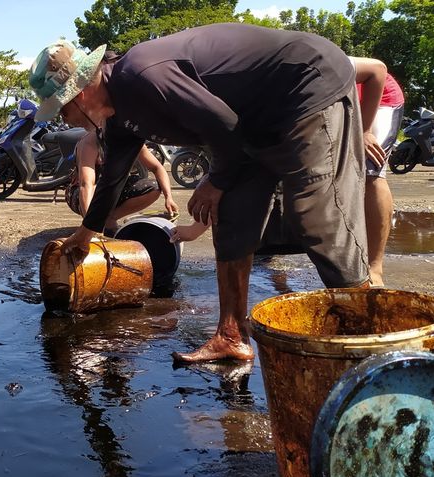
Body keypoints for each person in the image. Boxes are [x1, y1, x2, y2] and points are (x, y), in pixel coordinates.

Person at [29, 24, 369, 363]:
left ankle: (371, 331)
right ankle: (231, 336)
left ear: (81, 93)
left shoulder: (141, 75)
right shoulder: (118, 116)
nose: (65, 120)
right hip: (250, 123)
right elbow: (111, 180)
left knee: (317, 216)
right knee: (231, 218)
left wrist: (215, 181)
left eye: (62, 110)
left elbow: (222, 122)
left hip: (303, 87)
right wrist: (86, 233)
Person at [351, 57, 405, 287]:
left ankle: (375, 267)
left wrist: (364, 130)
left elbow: (378, 69)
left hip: (379, 96)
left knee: (371, 169)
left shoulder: (319, 61)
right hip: (349, 105)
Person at [68, 130, 180, 235]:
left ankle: (110, 218)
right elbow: (86, 184)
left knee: (154, 187)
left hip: (113, 189)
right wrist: (90, 228)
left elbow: (157, 168)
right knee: (92, 193)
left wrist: (168, 197)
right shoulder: (91, 141)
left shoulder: (132, 139)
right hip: (84, 193)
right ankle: (94, 222)